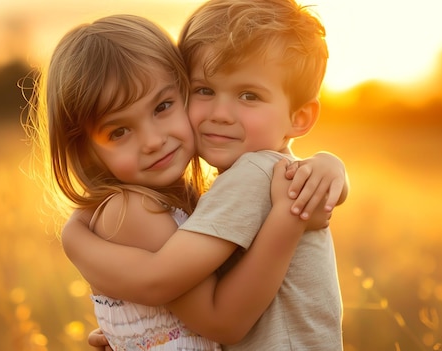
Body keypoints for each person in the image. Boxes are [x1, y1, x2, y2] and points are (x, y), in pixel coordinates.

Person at [36, 5, 347, 351]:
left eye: (162, 107)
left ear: (300, 117)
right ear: (85, 150)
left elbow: (213, 315)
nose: (220, 114)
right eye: (204, 90)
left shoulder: (252, 175)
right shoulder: (231, 183)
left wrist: (74, 238)